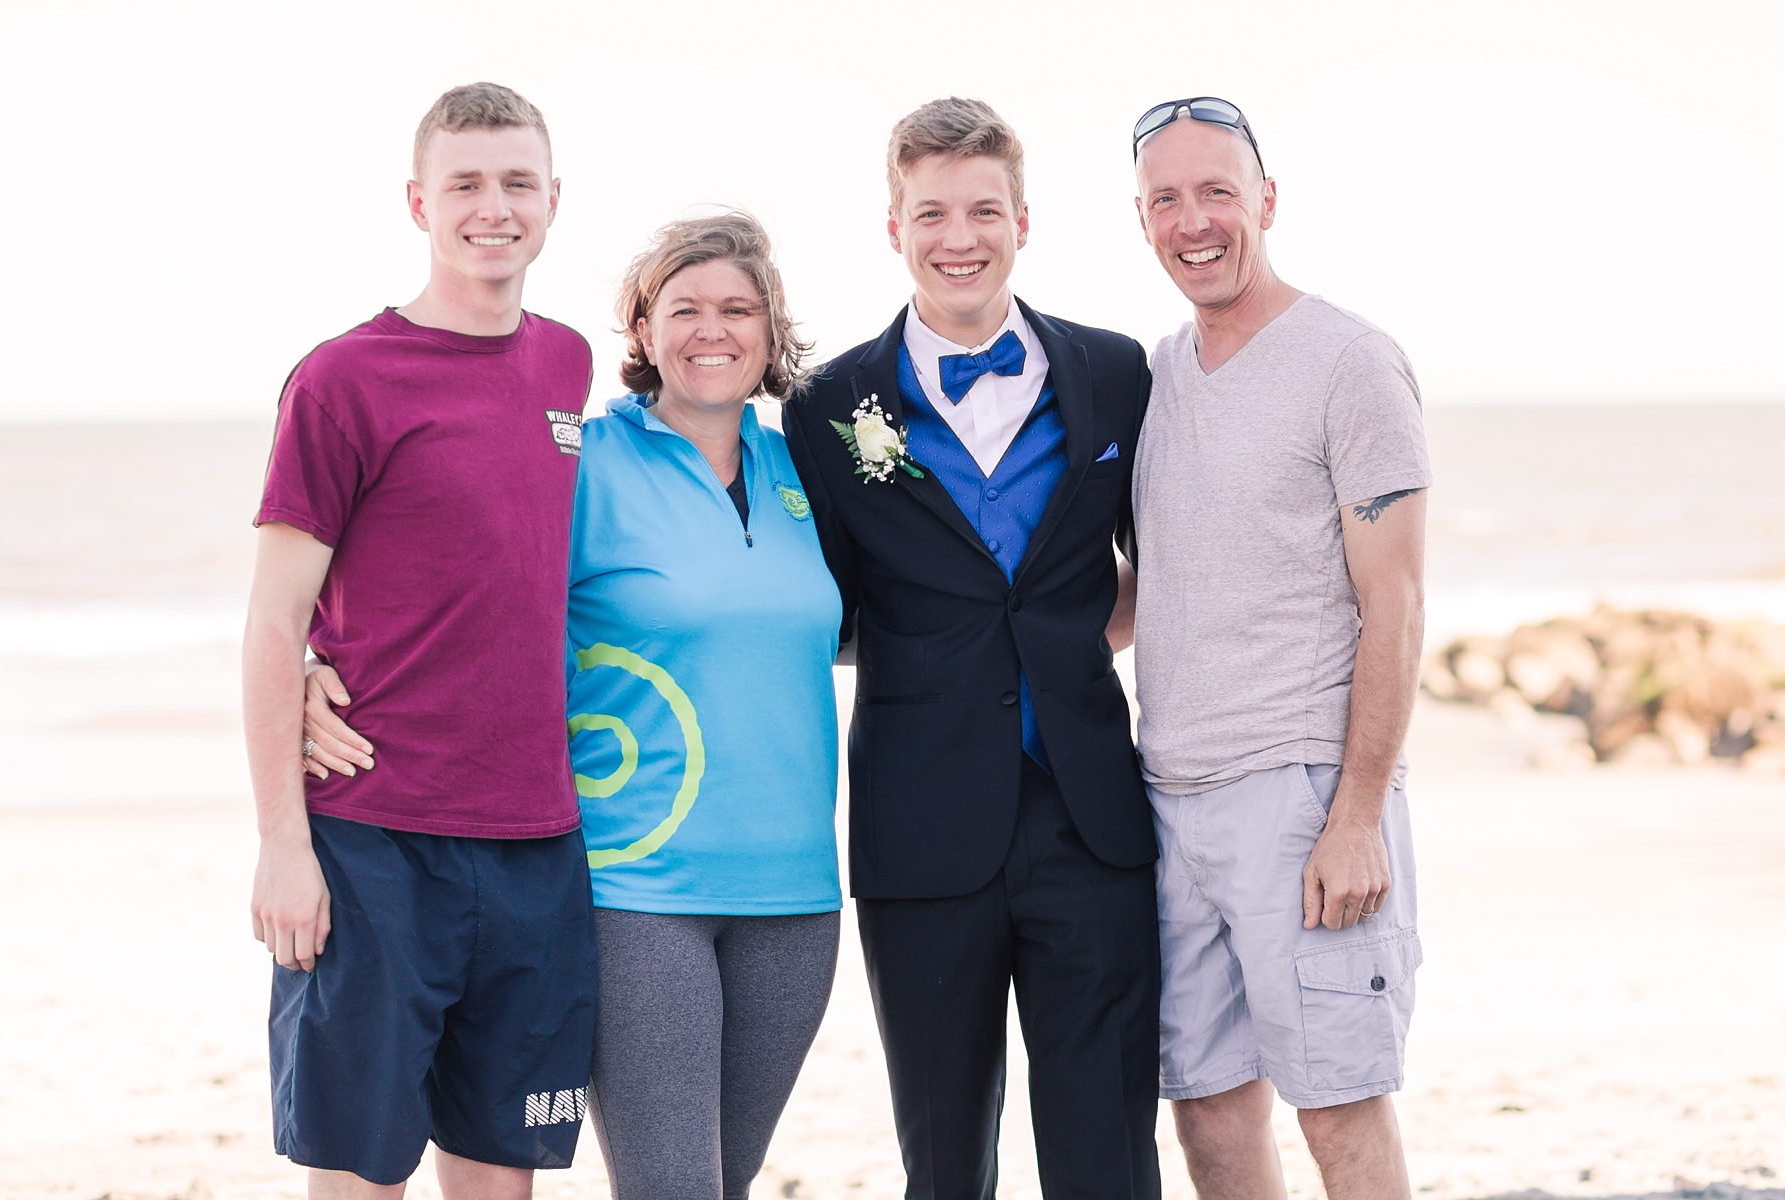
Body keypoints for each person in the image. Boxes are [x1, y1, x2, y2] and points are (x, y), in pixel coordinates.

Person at [301, 212, 845, 1200]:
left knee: (722, 1184)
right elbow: (443, 566)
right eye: (682, 308)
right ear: (640, 332)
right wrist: (314, 661)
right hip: (637, 890)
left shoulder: (806, 466)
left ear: (771, 332)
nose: (710, 330)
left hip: (797, 898)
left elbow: (878, 612)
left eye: (737, 309)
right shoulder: (583, 459)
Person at [783, 98, 1162, 1200]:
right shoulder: (828, 405)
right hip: (920, 827)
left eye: (984, 210)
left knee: (1107, 1153)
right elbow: (819, 604)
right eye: (931, 212)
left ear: (1025, 221)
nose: (961, 236)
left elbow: (1169, 568)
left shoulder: (1117, 373)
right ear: (892, 228)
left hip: (1090, 816)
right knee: (945, 1159)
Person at [243, 83, 597, 1200]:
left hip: (540, 844)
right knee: (359, 1176)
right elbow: (270, 619)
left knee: (501, 1178)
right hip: (374, 847)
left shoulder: (570, 367)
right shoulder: (344, 379)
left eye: (516, 183)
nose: (493, 209)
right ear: (418, 203)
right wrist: (283, 846)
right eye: (465, 185)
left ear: (553, 201)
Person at [1126, 97, 1430, 1200]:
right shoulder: (1156, 377)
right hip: (1167, 796)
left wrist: (1357, 816)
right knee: (1206, 1115)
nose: (1193, 220)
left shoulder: (1349, 361)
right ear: (1144, 220)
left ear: (1266, 199)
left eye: (1217, 191)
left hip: (1302, 796)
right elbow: (1155, 585)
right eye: (1167, 199)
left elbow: (1395, 602)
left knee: (1340, 1114)